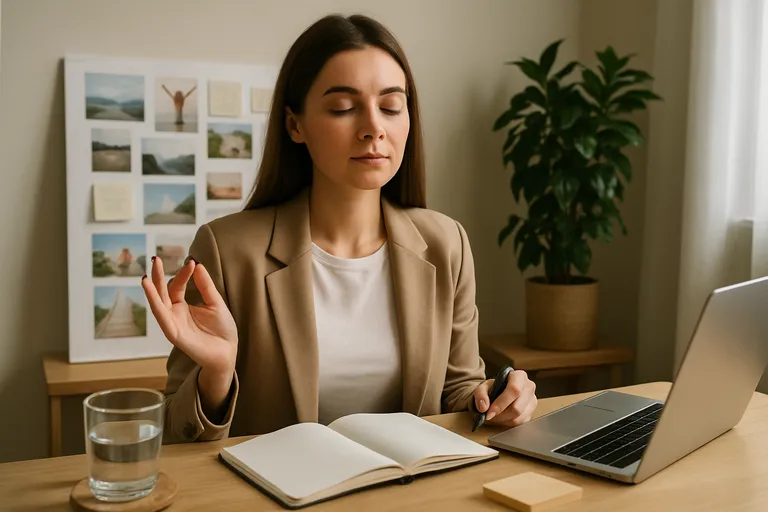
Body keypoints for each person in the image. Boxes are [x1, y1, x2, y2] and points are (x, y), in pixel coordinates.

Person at [141, 13, 538, 444]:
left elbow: (457, 391)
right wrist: (217, 374)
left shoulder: (446, 244)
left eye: (390, 106)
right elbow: (173, 438)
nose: (373, 129)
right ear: (295, 125)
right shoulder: (227, 250)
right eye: (343, 108)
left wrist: (494, 396)